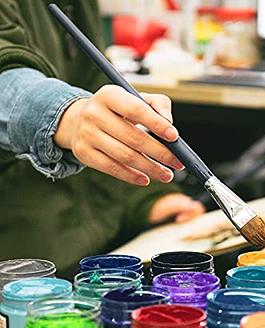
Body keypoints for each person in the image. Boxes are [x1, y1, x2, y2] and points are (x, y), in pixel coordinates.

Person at [0, 0, 204, 279]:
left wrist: (145, 199)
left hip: (96, 254)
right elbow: (7, 80)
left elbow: (99, 92)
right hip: (21, 271)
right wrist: (66, 115)